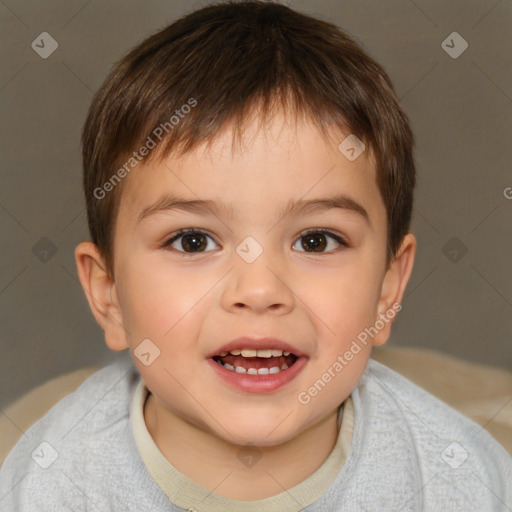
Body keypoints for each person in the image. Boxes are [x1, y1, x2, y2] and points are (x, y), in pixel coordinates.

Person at [1, 2, 510, 510]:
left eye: (316, 241)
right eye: (192, 241)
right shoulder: (49, 484)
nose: (260, 290)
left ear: (387, 289)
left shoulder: (458, 479)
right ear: (108, 295)